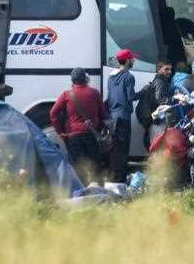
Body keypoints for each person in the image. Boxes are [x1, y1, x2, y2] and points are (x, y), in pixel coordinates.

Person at [49, 68, 106, 184]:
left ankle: (79, 192)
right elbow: (103, 114)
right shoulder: (94, 93)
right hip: (91, 134)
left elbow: (52, 114)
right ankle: (97, 192)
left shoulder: (66, 94)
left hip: (73, 137)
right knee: (94, 166)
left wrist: (61, 132)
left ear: (72, 80)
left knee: (77, 167)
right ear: (85, 78)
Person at [107, 48, 140, 183]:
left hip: (112, 117)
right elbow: (131, 97)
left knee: (114, 150)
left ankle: (113, 179)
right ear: (127, 61)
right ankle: (120, 181)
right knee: (123, 150)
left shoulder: (111, 77)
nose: (133, 61)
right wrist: (144, 91)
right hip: (124, 118)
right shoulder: (128, 76)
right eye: (132, 59)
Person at [136, 59, 173, 149]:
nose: (169, 72)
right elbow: (159, 99)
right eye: (166, 69)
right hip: (155, 119)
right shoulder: (160, 82)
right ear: (159, 69)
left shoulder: (159, 80)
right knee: (157, 145)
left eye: (170, 69)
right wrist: (174, 98)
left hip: (152, 118)